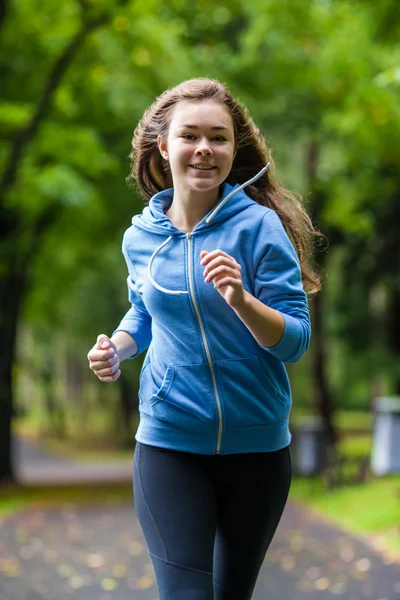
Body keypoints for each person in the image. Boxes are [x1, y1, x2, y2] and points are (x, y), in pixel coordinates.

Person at [87, 78, 321, 600]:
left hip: (257, 447)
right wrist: (115, 349)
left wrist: (241, 299)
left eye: (218, 137)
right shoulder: (140, 237)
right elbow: (144, 313)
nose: (203, 149)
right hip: (170, 440)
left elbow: (295, 341)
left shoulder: (259, 228)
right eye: (190, 135)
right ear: (163, 145)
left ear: (233, 149)